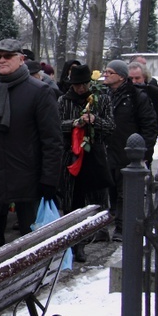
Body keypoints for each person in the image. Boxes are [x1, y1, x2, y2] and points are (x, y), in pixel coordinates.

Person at [0, 39, 63, 260]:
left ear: (21, 59)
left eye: (7, 56)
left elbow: (52, 140)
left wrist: (49, 179)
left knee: (30, 233)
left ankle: (31, 279)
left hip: (26, 173)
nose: (1, 60)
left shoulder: (39, 91)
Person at [58, 64, 114, 262]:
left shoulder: (102, 99)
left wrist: (94, 120)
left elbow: (110, 127)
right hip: (71, 156)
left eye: (83, 85)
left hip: (94, 155)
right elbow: (57, 126)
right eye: (76, 85)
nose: (80, 88)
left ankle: (93, 234)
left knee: (95, 198)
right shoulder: (64, 101)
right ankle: (75, 245)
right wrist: (74, 123)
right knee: (72, 202)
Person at [103, 59, 158, 241]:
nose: (105, 75)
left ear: (120, 76)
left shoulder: (136, 97)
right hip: (107, 150)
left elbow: (149, 126)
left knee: (123, 192)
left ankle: (122, 227)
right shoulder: (103, 95)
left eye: (110, 72)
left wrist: (143, 152)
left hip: (127, 151)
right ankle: (108, 222)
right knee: (110, 189)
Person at [129, 61, 158, 140]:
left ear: (144, 77)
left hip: (147, 133)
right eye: (131, 78)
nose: (134, 81)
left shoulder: (154, 92)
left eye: (137, 78)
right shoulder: (124, 91)